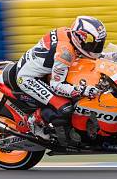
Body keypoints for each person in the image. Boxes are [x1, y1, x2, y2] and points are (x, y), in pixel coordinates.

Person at [12, 16, 107, 144]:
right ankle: (33, 121)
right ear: (79, 38)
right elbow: (56, 86)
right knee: (65, 107)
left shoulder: (68, 33)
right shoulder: (65, 53)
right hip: (28, 78)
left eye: (98, 43)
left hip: (43, 67)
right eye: (93, 43)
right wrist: (82, 90)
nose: (94, 47)